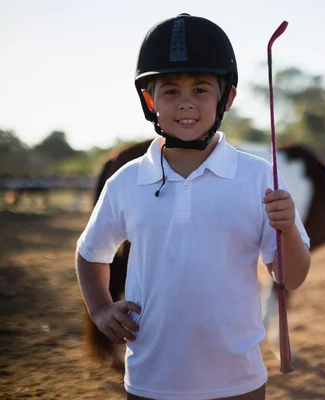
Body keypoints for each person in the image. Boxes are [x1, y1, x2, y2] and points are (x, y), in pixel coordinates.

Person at [75, 13, 311, 400]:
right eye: (170, 91)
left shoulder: (258, 177)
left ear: (227, 98)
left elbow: (293, 277)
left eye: (201, 89)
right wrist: (101, 309)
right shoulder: (126, 182)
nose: (186, 103)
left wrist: (286, 229)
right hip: (150, 382)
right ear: (150, 100)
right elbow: (90, 253)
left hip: (239, 382)